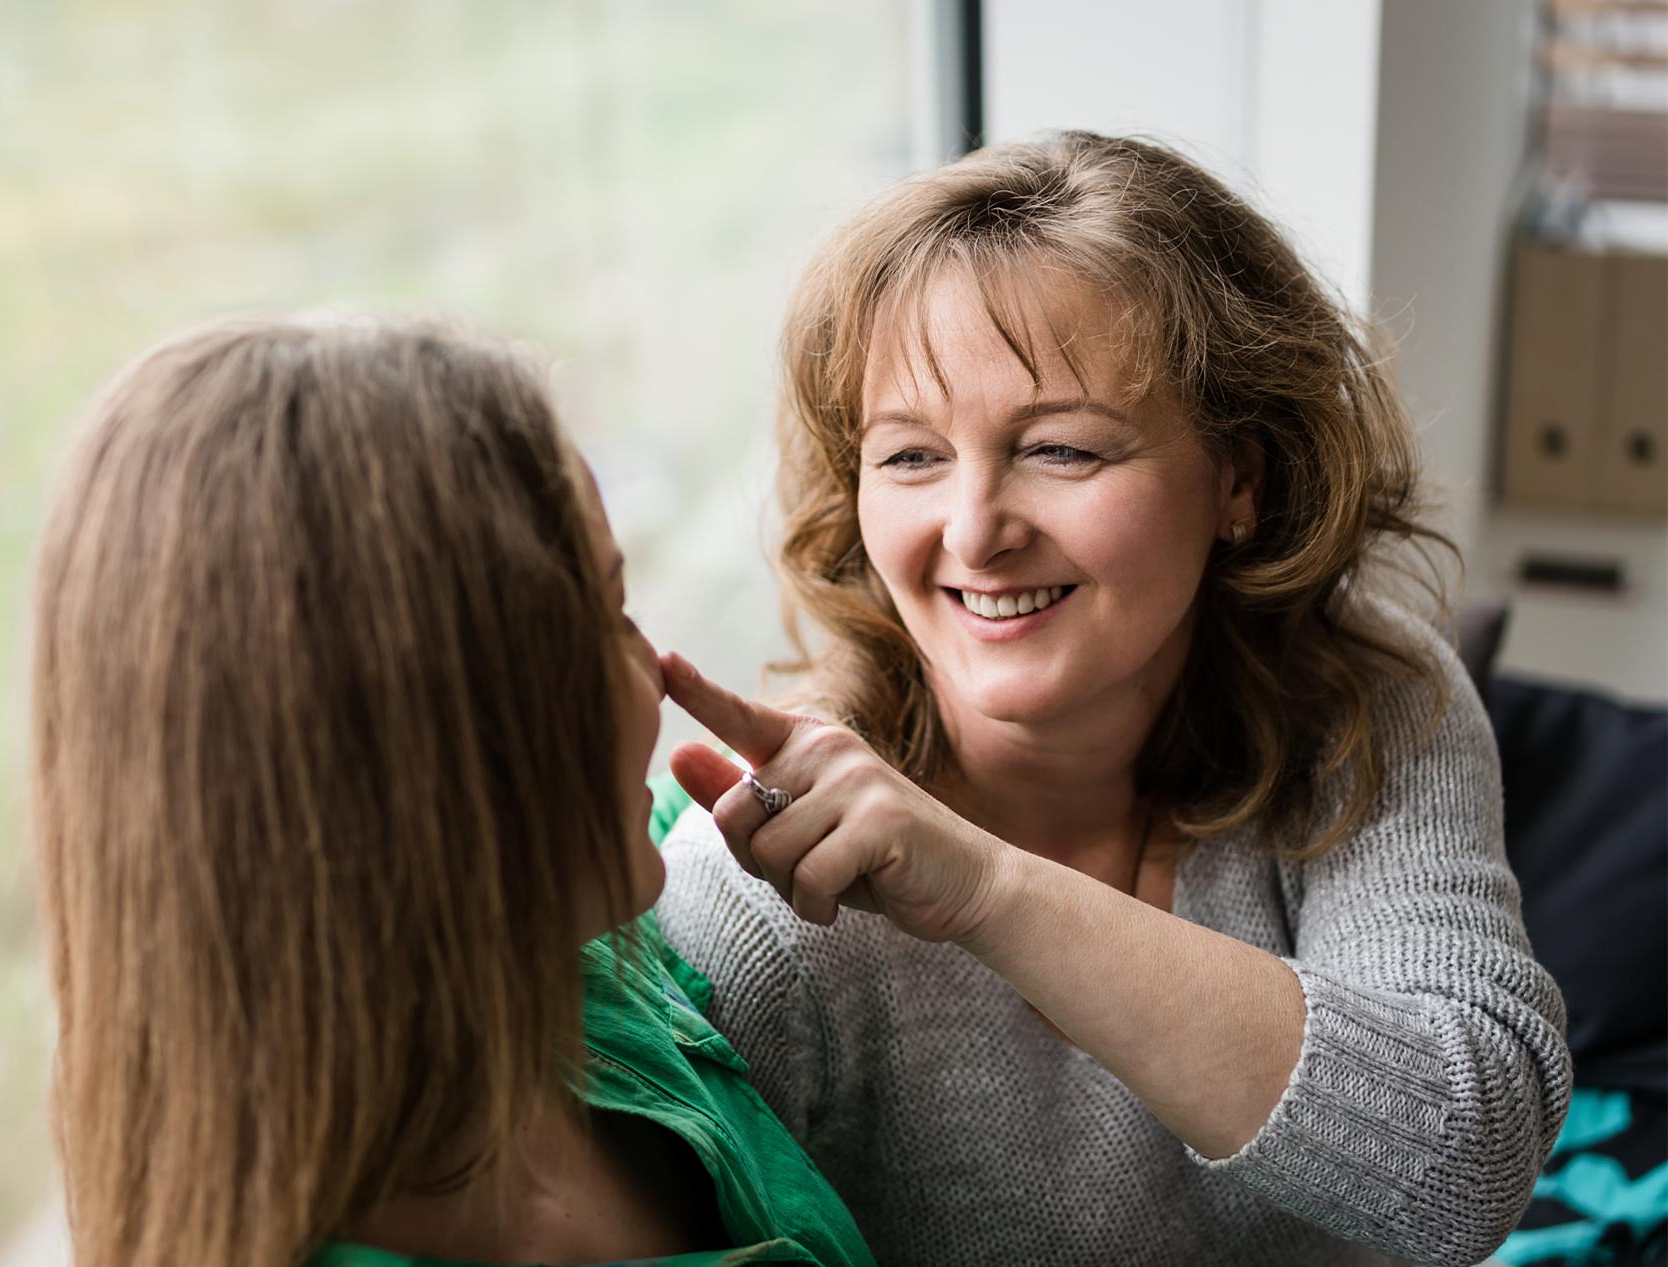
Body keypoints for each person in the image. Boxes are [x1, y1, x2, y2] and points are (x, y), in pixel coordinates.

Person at [650, 132, 1572, 1266]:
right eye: (908, 457)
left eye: (1060, 450)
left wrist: (988, 890)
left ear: (1239, 475)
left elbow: (1466, 1158)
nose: (975, 531)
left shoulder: (1366, 706)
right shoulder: (758, 882)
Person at [27, 316, 875, 1267]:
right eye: (603, 620)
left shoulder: (571, 981)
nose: (662, 676)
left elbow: (772, 785)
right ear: (432, 740)